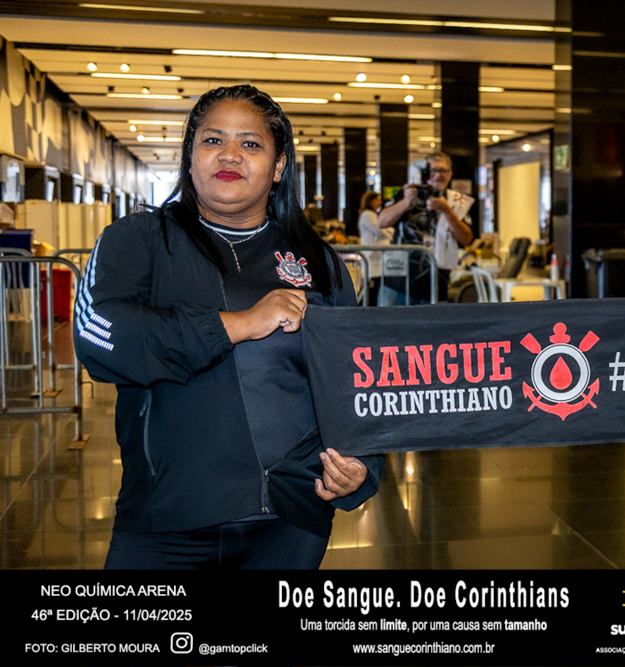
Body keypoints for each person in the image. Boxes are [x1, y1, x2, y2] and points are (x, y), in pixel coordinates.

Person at [74, 85, 383, 569]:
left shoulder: (318, 261)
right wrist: (238, 324)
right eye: (213, 140)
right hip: (167, 521)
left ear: (279, 166)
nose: (230, 155)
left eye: (251, 143)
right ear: (190, 156)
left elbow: (357, 379)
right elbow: (99, 335)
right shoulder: (139, 240)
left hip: (291, 519)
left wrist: (363, 468)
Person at [377, 153, 475, 304]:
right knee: (389, 319)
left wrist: (447, 211)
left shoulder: (456, 201)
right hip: (398, 281)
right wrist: (406, 202)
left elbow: (466, 239)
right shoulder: (409, 193)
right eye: (433, 170)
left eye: (443, 170)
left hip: (436, 283)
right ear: (424, 172)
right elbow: (382, 221)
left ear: (450, 174)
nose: (438, 175)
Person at [357, 190, 393, 305]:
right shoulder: (367, 215)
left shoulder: (375, 216)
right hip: (372, 259)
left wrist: (387, 230)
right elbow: (381, 231)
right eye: (377, 200)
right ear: (370, 201)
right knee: (370, 291)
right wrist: (388, 231)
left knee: (376, 289)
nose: (380, 202)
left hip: (378, 260)